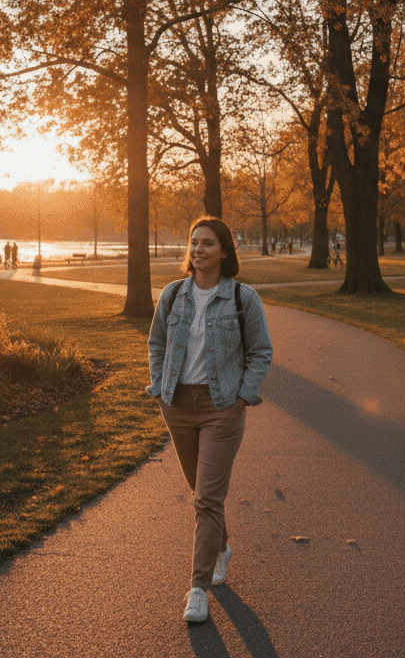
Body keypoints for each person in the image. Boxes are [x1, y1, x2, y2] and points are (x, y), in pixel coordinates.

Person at [146, 216, 274, 623]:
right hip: (178, 406)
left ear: (223, 251)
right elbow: (157, 344)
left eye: (207, 244)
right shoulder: (172, 295)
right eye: (193, 242)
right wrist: (160, 389)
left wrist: (241, 397)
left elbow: (261, 352)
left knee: (205, 499)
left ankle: (197, 588)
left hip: (222, 408)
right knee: (204, 496)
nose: (198, 250)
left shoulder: (242, 298)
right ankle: (221, 548)